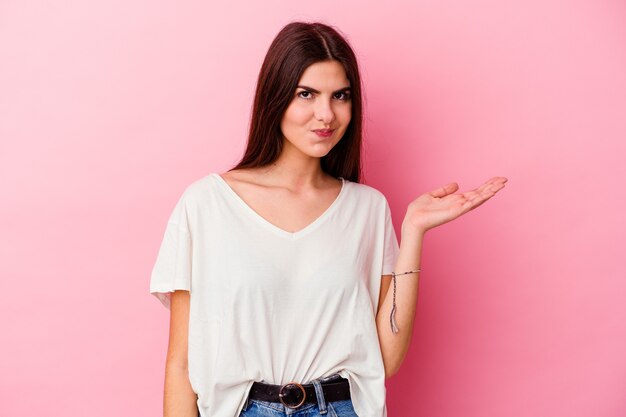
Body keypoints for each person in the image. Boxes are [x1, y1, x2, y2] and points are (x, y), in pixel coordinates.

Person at [149, 21, 507, 417]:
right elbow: (181, 364)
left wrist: (414, 231)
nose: (327, 114)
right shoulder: (206, 204)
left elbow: (383, 361)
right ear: (276, 97)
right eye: (307, 94)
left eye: (341, 96)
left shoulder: (367, 209)